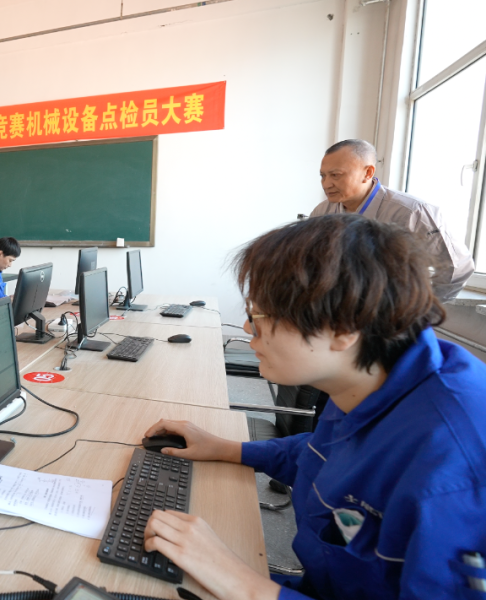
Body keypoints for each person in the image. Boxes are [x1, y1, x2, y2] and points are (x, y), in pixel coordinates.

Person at [140, 214, 486, 600]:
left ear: (342, 330)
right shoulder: (371, 374)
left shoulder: (454, 469)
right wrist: (226, 448)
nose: (248, 328)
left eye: (260, 315)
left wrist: (242, 582)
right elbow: (323, 454)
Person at [312, 138, 474, 301]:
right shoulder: (322, 212)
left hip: (392, 310)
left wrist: (424, 307)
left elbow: (457, 267)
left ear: (368, 173)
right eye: (323, 176)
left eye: (335, 175)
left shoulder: (412, 212)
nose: (326, 184)